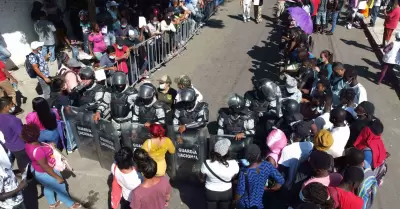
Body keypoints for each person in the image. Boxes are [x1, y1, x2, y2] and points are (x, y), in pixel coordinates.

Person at [22, 124, 81, 209]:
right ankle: (70, 204)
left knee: (47, 187)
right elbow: (45, 167)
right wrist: (57, 177)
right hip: (48, 173)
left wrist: (49, 145)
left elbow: (40, 147)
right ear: (37, 134)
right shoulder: (38, 151)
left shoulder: (29, 144)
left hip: (37, 171)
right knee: (61, 188)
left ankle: (52, 203)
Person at [93, 72, 137, 148]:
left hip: (127, 121)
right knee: (115, 141)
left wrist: (135, 127)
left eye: (121, 85)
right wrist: (98, 112)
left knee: (129, 142)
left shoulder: (132, 92)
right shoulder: (110, 91)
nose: (119, 87)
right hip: (115, 121)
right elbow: (104, 102)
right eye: (117, 86)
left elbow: (137, 109)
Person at [234, 144, 284, 209]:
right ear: (259, 155)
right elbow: (281, 180)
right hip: (259, 205)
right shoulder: (267, 165)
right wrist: (271, 188)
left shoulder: (244, 172)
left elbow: (239, 193)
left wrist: (234, 202)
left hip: (245, 205)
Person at [200, 138, 239, 209]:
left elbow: (201, 179)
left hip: (210, 192)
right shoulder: (234, 164)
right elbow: (233, 178)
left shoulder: (206, 163)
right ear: (227, 151)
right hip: (226, 192)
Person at [0, 97, 30, 173]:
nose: (13, 105)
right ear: (6, 107)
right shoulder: (13, 120)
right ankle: (27, 179)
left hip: (9, 144)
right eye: (11, 104)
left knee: (20, 162)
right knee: (26, 164)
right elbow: (21, 135)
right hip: (20, 146)